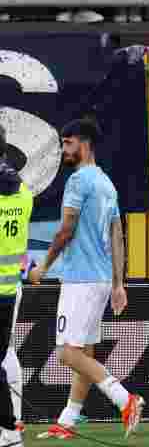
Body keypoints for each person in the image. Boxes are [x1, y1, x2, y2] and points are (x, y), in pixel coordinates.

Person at [28, 119, 144, 439]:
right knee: (84, 352)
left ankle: (126, 399)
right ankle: (68, 420)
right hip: (101, 279)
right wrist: (119, 282)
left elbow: (66, 228)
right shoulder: (106, 183)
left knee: (67, 353)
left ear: (85, 144)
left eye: (68, 143)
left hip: (80, 279)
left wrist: (44, 266)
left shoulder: (79, 181)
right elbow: (117, 234)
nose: (64, 149)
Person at [0, 125, 30, 447]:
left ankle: (10, 431)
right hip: (10, 287)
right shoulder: (22, 190)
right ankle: (10, 427)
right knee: (5, 352)